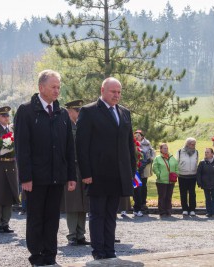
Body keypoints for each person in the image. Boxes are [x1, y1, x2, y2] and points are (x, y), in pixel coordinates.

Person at [14, 70, 76, 266]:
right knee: (36, 218)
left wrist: (71, 176)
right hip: (35, 178)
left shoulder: (62, 113)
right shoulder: (25, 111)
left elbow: (69, 147)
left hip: (57, 176)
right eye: (53, 87)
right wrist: (25, 178)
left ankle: (50, 254)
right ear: (41, 88)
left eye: (59, 87)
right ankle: (36, 256)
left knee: (52, 218)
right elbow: (22, 148)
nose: (57, 90)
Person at [76, 77, 136, 260]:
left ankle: (110, 250)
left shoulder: (124, 112)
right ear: (103, 90)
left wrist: (131, 172)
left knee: (111, 214)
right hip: (98, 174)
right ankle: (98, 251)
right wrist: (86, 173)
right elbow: (81, 145)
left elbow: (129, 146)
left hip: (118, 174)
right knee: (97, 214)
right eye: (113, 91)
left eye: (119, 92)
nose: (116, 95)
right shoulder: (89, 111)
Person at [61, 99, 90, 246]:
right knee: (72, 203)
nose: (79, 113)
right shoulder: (64, 126)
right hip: (70, 168)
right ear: (69, 111)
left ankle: (81, 234)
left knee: (83, 202)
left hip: (82, 167)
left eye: (80, 110)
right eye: (76, 110)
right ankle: (72, 234)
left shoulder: (81, 126)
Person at [152, 143, 178, 217]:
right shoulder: (157, 158)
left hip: (171, 181)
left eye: (167, 148)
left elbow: (176, 166)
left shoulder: (172, 158)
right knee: (162, 197)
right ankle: (162, 211)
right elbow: (155, 167)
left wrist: (176, 173)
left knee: (169, 196)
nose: (166, 149)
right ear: (160, 149)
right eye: (164, 148)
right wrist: (159, 174)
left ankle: (168, 210)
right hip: (161, 181)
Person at [196, 148, 214, 217]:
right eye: (205, 152)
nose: (206, 153)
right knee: (207, 198)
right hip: (205, 184)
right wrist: (199, 182)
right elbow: (199, 173)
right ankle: (209, 212)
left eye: (207, 152)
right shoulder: (202, 163)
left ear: (212, 154)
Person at [134, 130, 155, 214]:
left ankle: (143, 203)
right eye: (135, 135)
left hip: (145, 167)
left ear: (142, 136)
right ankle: (137, 204)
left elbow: (152, 153)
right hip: (136, 167)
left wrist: (149, 159)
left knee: (143, 186)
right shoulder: (133, 144)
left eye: (138, 135)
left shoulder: (147, 144)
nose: (136, 137)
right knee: (136, 186)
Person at [176, 137, 198, 216]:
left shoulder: (196, 152)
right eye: (192, 144)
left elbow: (196, 162)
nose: (194, 146)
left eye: (194, 144)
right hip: (182, 176)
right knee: (183, 193)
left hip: (193, 176)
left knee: (192, 193)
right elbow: (177, 162)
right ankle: (184, 209)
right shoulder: (180, 152)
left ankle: (192, 209)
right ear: (187, 144)